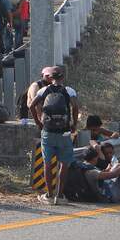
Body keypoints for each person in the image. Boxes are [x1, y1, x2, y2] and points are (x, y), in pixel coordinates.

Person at [29, 67, 78, 205]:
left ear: (51, 78)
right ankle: (60, 196)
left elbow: (32, 106)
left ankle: (49, 195)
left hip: (48, 131)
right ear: (62, 78)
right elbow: (75, 106)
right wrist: (74, 123)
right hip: (64, 132)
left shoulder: (43, 90)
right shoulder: (69, 91)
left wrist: (38, 122)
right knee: (64, 164)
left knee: (47, 163)